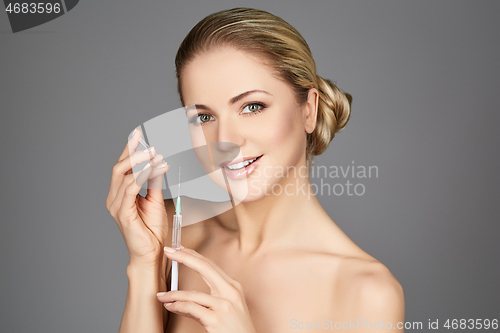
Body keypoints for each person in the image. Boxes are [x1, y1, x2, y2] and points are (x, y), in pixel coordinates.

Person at [106, 7, 404, 333]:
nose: (225, 140)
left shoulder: (366, 293)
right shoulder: (175, 235)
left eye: (252, 107)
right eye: (204, 117)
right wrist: (144, 264)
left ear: (309, 109)